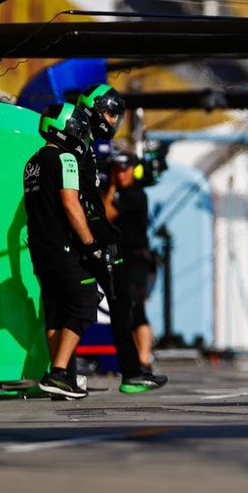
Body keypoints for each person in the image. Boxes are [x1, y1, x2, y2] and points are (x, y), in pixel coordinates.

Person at [76, 84, 166, 393]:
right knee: (89, 307)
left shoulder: (135, 194)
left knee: (129, 308)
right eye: (110, 113)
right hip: (95, 245)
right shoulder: (79, 151)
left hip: (129, 255)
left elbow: (103, 211)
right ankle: (130, 368)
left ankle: (138, 366)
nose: (114, 121)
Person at [23, 103, 102, 399]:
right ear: (65, 129)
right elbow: (71, 204)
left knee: (55, 312)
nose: (80, 134)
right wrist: (91, 244)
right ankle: (58, 374)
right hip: (64, 247)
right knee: (83, 302)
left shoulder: (31, 163)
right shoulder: (65, 158)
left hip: (40, 251)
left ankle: (62, 379)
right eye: (77, 128)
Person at [105, 149, 162, 378]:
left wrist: (109, 189)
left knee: (137, 308)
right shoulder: (125, 193)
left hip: (136, 260)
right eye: (117, 170)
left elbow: (107, 213)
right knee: (131, 310)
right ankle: (141, 359)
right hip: (126, 259)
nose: (121, 175)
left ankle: (143, 360)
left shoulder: (134, 194)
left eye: (125, 170)